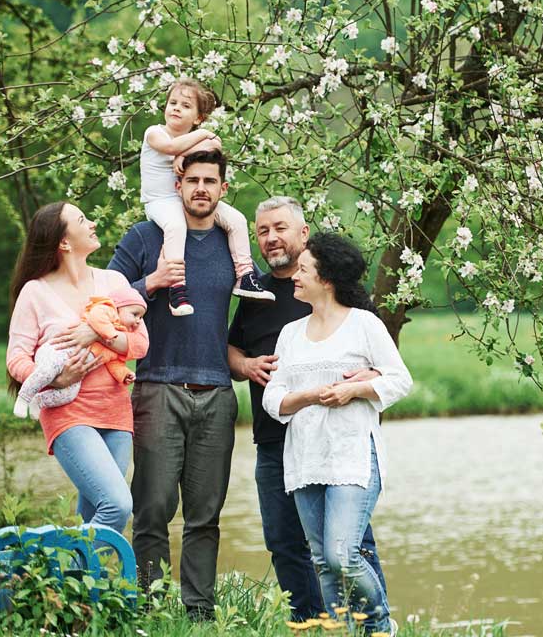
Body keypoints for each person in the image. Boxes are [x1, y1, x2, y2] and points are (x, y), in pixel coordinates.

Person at [228, 197, 387, 621]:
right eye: (262, 231)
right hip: (274, 438)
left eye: (279, 227)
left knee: (350, 545)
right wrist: (243, 364)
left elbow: (381, 364)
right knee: (287, 543)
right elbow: (233, 347)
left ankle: (374, 625)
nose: (270, 237)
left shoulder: (341, 297)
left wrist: (361, 382)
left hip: (336, 442)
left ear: (303, 233)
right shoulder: (254, 293)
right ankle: (314, 625)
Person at [108, 149, 239, 622]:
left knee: (205, 514)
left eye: (211, 181)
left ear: (224, 189)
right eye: (193, 180)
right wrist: (154, 282)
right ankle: (154, 610)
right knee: (153, 508)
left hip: (218, 394)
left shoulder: (232, 244)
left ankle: (200, 614)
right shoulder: (146, 237)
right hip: (158, 387)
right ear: (178, 184)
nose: (201, 188)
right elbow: (103, 298)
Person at [262, 232, 412, 635]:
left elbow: (400, 381)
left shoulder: (364, 325)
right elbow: (272, 400)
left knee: (342, 554)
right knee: (322, 560)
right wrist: (308, 396)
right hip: (305, 458)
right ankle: (343, 631)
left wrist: (354, 389)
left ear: (325, 279)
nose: (295, 275)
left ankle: (380, 625)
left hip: (352, 457)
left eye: (304, 269)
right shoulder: (291, 334)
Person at [6, 201, 149, 533]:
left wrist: (99, 332)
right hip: (68, 414)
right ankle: (64, 580)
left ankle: (77, 583)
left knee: (95, 514)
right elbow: (16, 358)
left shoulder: (113, 281)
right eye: (83, 219)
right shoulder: (35, 292)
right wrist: (55, 380)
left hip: (116, 412)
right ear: (64, 242)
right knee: (117, 505)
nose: (93, 223)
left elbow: (140, 343)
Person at [140, 77, 274, 315]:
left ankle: (245, 275)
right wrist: (201, 138)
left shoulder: (200, 137)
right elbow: (172, 148)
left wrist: (193, 148)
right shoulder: (155, 132)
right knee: (176, 226)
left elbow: (216, 146)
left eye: (185, 105)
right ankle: (177, 288)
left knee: (237, 220)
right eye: (173, 103)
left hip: (189, 199)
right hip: (160, 201)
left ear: (198, 118)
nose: (177, 108)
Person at [13, 287, 147, 419]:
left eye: (141, 317)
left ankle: (39, 401)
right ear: (119, 307)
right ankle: (24, 397)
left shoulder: (117, 338)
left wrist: (124, 374)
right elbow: (96, 318)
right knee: (47, 371)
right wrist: (109, 335)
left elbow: (114, 363)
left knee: (69, 394)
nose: (138, 321)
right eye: (134, 314)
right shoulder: (108, 309)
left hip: (76, 370)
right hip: (59, 352)